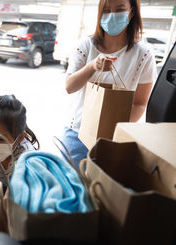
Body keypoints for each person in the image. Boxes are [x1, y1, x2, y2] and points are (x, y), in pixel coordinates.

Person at [63, 0, 157, 169]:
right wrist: (92, 67)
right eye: (106, 10)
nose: (112, 15)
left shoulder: (144, 54)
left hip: (114, 140)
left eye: (120, 9)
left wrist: (114, 132)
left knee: (100, 191)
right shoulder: (85, 46)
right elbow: (70, 86)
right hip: (76, 133)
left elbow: (140, 103)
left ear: (132, 12)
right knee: (72, 188)